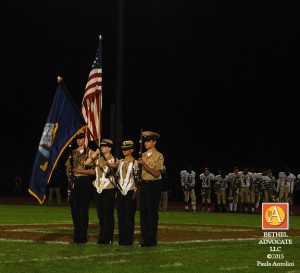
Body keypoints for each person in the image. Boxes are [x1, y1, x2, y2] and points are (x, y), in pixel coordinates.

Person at [85, 139, 118, 245]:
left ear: (110, 148)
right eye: (101, 146)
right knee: (101, 215)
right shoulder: (98, 159)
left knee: (108, 214)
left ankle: (109, 238)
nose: (102, 147)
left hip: (109, 189)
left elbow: (117, 168)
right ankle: (102, 238)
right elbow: (87, 163)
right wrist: (96, 153)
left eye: (105, 146)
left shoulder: (115, 160)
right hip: (98, 189)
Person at [65, 131, 95, 244]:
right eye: (77, 138)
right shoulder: (72, 153)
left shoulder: (90, 153)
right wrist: (70, 179)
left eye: (81, 138)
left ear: (85, 139)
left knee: (83, 211)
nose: (79, 140)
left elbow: (93, 171)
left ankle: (83, 237)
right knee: (75, 211)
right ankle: (76, 237)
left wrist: (78, 171)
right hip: (74, 182)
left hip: (84, 181)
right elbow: (68, 169)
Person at [138, 131, 164, 247]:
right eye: (145, 141)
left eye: (148, 141)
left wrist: (144, 165)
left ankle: (152, 240)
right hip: (143, 185)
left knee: (152, 213)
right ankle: (145, 240)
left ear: (154, 142)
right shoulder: (142, 155)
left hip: (153, 185)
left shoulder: (158, 156)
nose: (146, 143)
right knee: (143, 213)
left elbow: (157, 173)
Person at [111, 140, 138, 246]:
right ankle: (121, 240)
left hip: (130, 191)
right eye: (123, 149)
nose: (124, 150)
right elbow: (116, 171)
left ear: (132, 150)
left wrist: (135, 174)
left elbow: (138, 178)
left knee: (129, 217)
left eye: (126, 149)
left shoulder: (135, 162)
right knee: (121, 216)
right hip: (120, 191)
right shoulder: (120, 162)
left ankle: (128, 240)